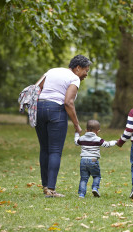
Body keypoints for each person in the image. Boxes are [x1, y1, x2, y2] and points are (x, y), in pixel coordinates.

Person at [35, 55, 92, 198]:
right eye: (86, 70)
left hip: (39, 109)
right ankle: (51, 190)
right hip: (56, 111)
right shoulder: (74, 78)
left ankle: (45, 187)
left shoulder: (52, 71)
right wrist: (77, 125)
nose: (86, 74)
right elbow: (68, 102)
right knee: (55, 150)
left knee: (45, 149)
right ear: (77, 68)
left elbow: (36, 89)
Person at [74, 120, 117, 198]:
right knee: (97, 176)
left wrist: (77, 133)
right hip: (93, 160)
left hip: (83, 160)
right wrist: (115, 142)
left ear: (86, 130)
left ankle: (82, 194)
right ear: (97, 131)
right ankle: (95, 188)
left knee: (84, 178)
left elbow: (76, 142)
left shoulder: (82, 138)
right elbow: (107, 145)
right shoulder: (98, 139)